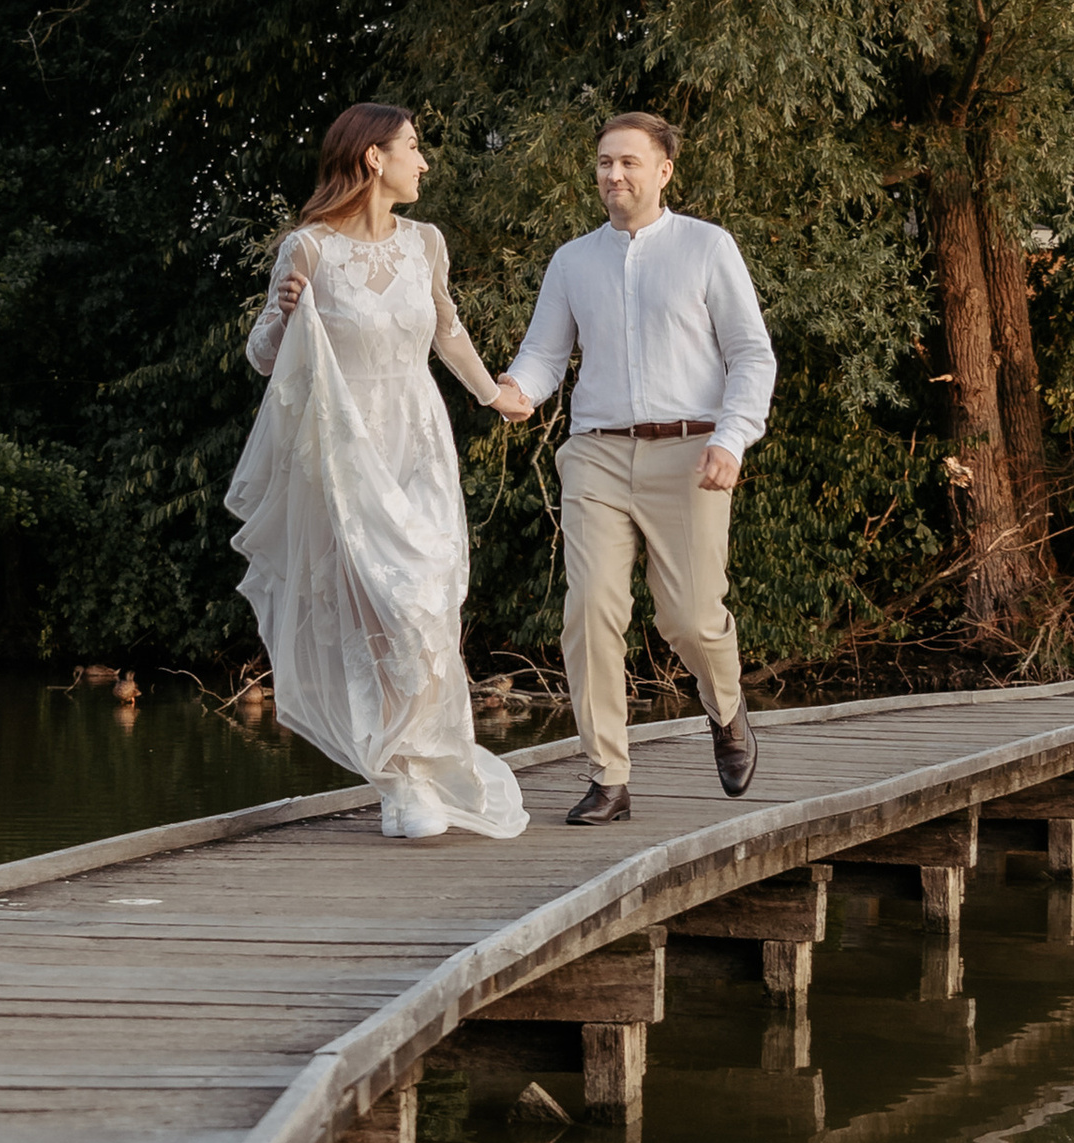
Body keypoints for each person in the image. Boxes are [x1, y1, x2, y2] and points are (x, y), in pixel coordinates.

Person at [226, 101, 528, 843]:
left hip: (418, 439)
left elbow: (447, 328)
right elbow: (265, 361)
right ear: (373, 159)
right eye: (413, 148)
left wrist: (494, 394)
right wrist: (280, 317)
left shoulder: (426, 242)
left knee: (428, 602)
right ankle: (399, 778)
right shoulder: (307, 250)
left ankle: (421, 764)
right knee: (376, 614)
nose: (423, 162)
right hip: (346, 449)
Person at [495, 112, 774, 826]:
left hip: (692, 450)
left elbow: (751, 355)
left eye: (626, 163)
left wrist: (732, 439)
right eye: (602, 164)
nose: (612, 175)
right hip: (596, 452)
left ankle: (727, 709)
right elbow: (544, 355)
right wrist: (518, 391)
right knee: (590, 609)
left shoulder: (708, 247)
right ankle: (608, 777)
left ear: (662, 172)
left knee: (689, 617)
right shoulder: (572, 261)